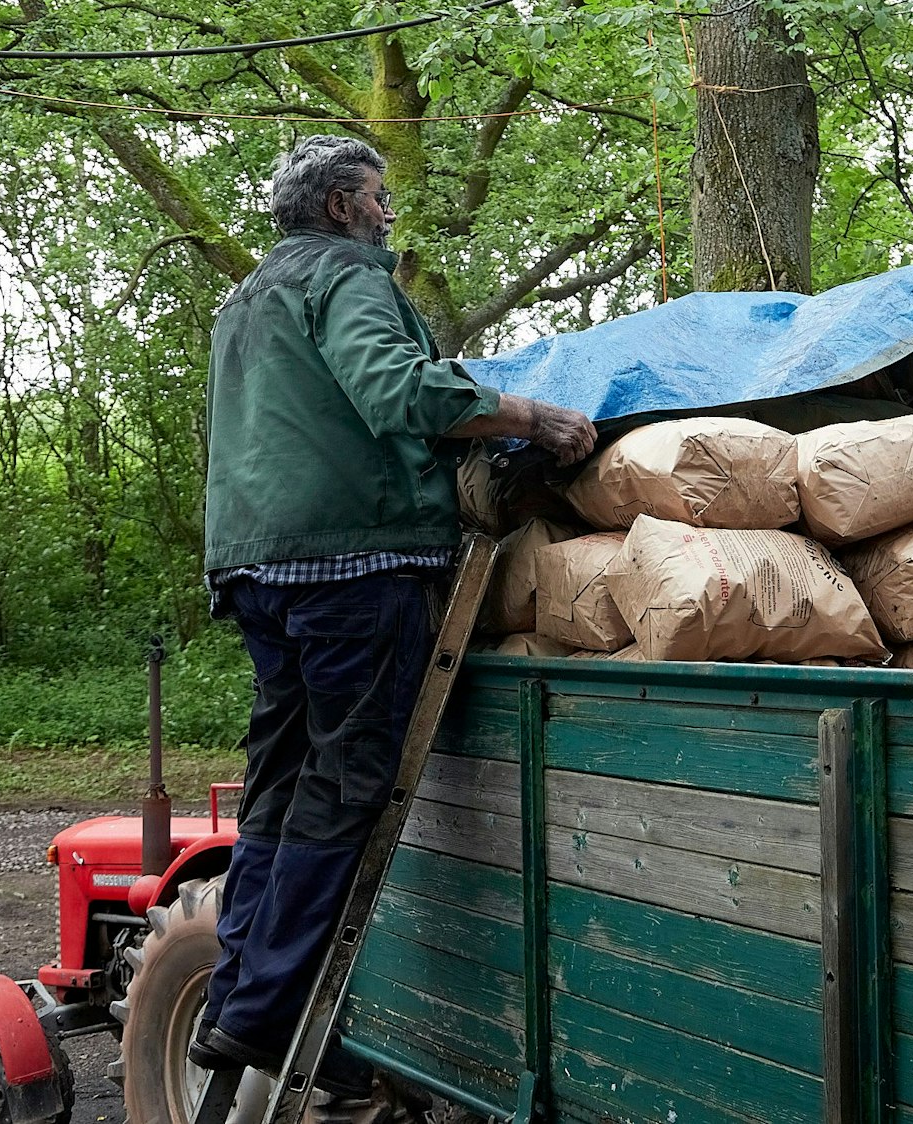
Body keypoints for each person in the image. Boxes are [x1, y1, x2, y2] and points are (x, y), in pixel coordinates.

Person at [190, 135, 596, 1104]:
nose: (387, 214)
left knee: (279, 782)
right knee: (349, 779)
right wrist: (528, 416)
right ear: (338, 208)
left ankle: (239, 991)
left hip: (256, 564)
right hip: (352, 563)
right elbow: (393, 390)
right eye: (377, 198)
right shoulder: (350, 278)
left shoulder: (244, 300)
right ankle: (268, 1006)